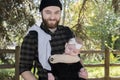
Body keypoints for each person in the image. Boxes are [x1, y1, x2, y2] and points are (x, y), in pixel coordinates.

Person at [19, 0, 88, 80]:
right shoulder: (33, 36)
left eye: (56, 12)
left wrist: (83, 72)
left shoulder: (67, 32)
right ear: (41, 12)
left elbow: (77, 58)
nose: (52, 17)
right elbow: (24, 68)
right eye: (48, 12)